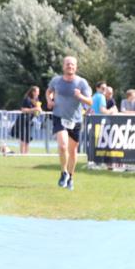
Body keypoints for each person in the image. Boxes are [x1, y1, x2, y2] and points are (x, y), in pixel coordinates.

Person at [46, 55, 93, 191]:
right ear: (63, 66)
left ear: (76, 67)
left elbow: (90, 101)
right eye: (67, 64)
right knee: (62, 146)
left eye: (72, 64)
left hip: (75, 120)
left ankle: (71, 177)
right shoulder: (56, 81)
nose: (70, 66)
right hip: (59, 117)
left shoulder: (81, 83)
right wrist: (49, 100)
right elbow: (49, 91)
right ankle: (63, 172)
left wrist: (80, 96)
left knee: (72, 151)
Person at [12, 85, 42, 155]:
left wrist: (38, 111)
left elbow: (37, 112)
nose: (38, 93)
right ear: (33, 92)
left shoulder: (37, 100)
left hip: (31, 121)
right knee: (23, 138)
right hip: (24, 120)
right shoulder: (27, 99)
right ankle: (22, 153)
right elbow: (23, 109)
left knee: (28, 138)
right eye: (37, 92)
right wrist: (34, 109)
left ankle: (26, 153)